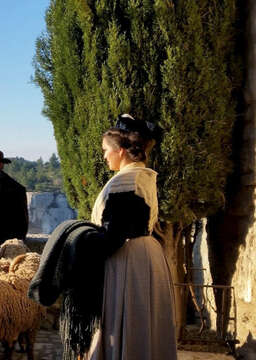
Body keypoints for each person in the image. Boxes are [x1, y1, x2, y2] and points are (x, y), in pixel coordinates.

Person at [87, 114, 177, 359]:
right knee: (140, 326)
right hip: (142, 256)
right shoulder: (141, 176)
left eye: (106, 150)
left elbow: (114, 234)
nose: (104, 155)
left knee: (127, 324)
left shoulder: (126, 181)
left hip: (128, 259)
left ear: (122, 150)